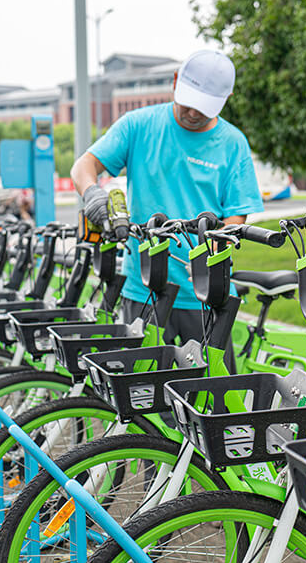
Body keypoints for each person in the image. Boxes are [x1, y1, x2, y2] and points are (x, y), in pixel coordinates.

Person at [70, 49, 264, 346]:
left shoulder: (233, 143)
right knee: (141, 387)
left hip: (206, 292)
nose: (193, 113)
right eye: (189, 103)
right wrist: (92, 193)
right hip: (145, 287)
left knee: (212, 390)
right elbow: (84, 165)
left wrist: (215, 244)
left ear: (227, 97)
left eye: (205, 107)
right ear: (175, 81)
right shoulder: (138, 125)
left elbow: (237, 213)